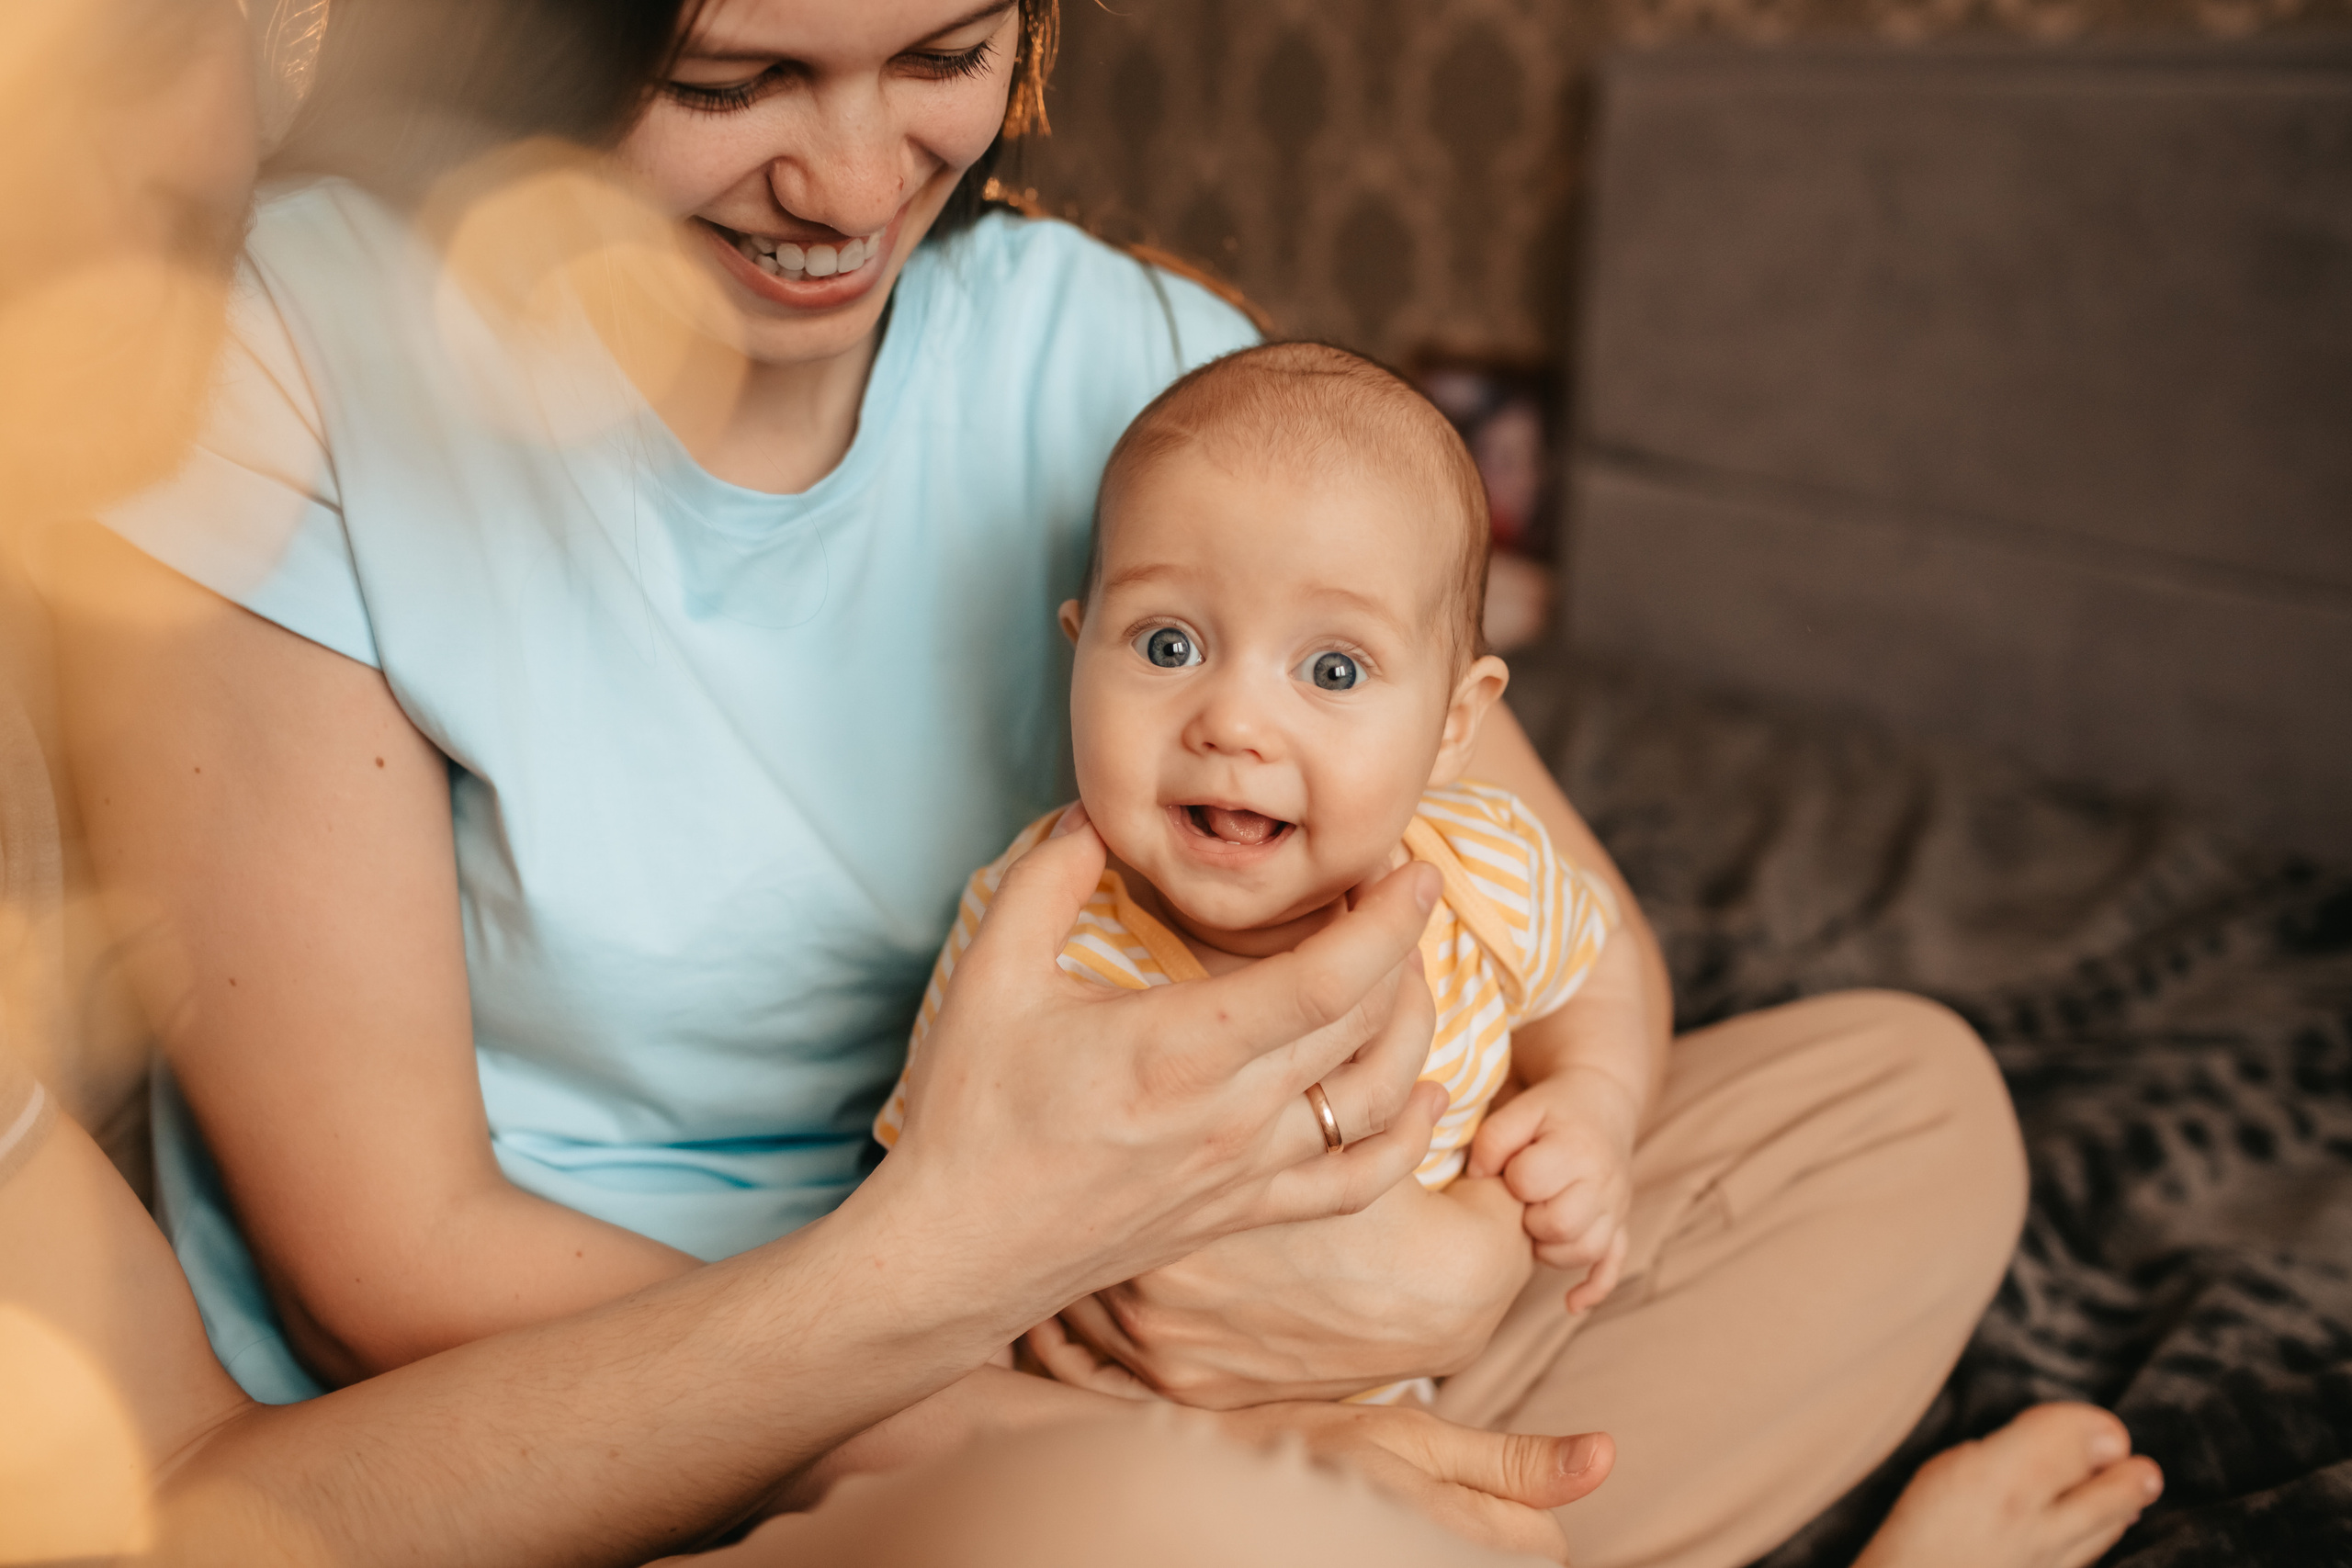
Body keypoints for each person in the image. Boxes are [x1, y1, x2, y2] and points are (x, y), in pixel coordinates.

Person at [31, 0, 2165, 1563]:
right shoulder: (280, 363)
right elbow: (385, 1251)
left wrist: (1415, 1253)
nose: (853, 185)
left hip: (1212, 1297)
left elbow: (1536, 898)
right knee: (1122, 1530)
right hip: (654, 1393)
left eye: (938, 51)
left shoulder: (1126, 363)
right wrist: (1003, 1398)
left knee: (1899, 1107)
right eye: (729, 82)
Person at [874, 344, 1651, 1414]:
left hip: (1420, 1375)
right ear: (1077, 649)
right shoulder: (1036, 939)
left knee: (1906, 1095)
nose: (1233, 723)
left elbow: (1599, 967)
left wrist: (1593, 1106)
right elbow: (918, 1225)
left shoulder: (1479, 866)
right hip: (1105, 1435)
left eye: (1332, 670)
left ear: (1454, 724)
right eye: (1165, 645)